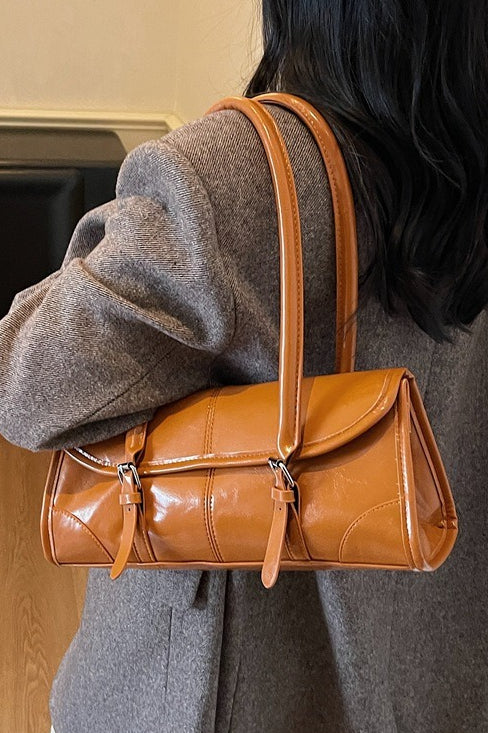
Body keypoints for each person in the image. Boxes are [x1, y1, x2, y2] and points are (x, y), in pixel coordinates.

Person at [1, 1, 487, 731]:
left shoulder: (239, 171)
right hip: (438, 672)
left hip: (230, 694)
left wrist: (112, 234)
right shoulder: (466, 162)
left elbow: (26, 384)